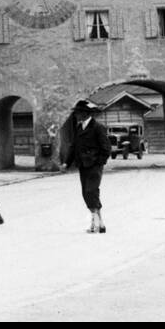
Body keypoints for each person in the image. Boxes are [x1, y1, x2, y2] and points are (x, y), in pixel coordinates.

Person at [61, 98, 111, 233]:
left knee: (91, 191)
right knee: (86, 193)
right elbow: (73, 147)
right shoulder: (78, 127)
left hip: (94, 166)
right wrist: (67, 162)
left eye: (78, 113)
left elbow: (106, 148)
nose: (76, 115)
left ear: (86, 113)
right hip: (83, 165)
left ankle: (95, 223)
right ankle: (100, 223)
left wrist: (98, 162)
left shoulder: (97, 128)